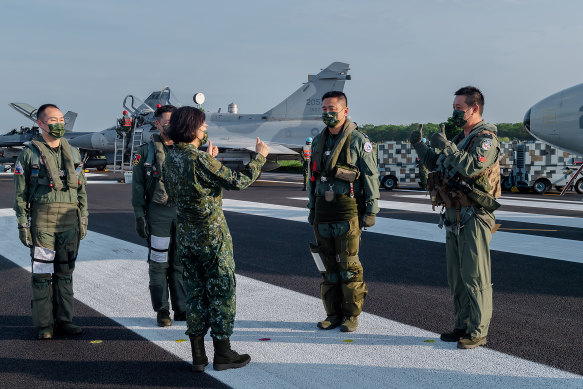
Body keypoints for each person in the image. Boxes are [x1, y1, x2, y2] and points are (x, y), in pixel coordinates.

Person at [163, 106, 269, 372]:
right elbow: (238, 181)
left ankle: (198, 355)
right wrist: (260, 158)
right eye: (202, 125)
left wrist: (208, 160)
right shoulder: (198, 160)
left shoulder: (170, 158)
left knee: (196, 294)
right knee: (221, 292)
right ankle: (223, 353)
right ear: (193, 128)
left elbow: (189, 184)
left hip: (187, 236)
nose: (205, 129)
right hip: (212, 237)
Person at [409, 86, 501, 349]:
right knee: (457, 276)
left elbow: (471, 166)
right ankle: (461, 324)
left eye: (459, 108)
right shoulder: (461, 139)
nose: (454, 112)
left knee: (475, 275)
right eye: (454, 108)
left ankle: (478, 330)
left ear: (475, 109)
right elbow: (439, 163)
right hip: (453, 215)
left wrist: (447, 146)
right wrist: (420, 146)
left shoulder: (485, 139)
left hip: (474, 214)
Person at [14, 104, 88, 340]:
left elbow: (82, 190)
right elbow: (20, 193)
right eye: (52, 120)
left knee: (65, 273)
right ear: (41, 124)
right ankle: (45, 324)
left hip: (69, 222)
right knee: (43, 274)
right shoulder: (29, 154)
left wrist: (84, 218)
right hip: (43, 221)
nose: (58, 124)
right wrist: (22, 223)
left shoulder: (74, 152)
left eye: (60, 119)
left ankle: (65, 320)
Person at [307, 91, 380, 333]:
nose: (328, 113)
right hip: (323, 212)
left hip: (347, 212)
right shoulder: (318, 141)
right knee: (328, 267)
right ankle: (333, 314)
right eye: (324, 109)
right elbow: (312, 178)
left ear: (345, 111)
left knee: (348, 265)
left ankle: (351, 316)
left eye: (332, 109)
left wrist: (371, 210)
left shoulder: (359, 141)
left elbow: (370, 177)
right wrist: (311, 208)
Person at [131, 104, 187, 327]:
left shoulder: (187, 150)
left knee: (181, 263)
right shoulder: (146, 152)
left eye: (175, 123)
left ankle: (182, 309)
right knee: (159, 263)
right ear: (157, 124)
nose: (171, 127)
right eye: (166, 123)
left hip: (183, 214)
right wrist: (139, 215)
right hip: (159, 215)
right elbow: (137, 186)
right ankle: (162, 310)